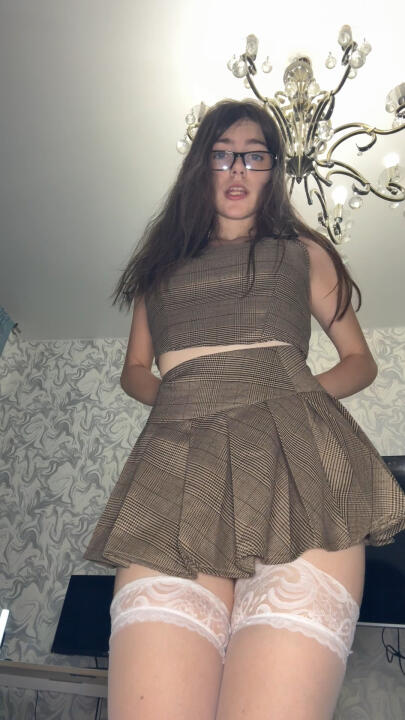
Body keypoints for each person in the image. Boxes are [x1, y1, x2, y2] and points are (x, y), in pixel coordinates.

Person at [83, 99, 405, 720]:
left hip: (297, 468)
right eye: (223, 154)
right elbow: (134, 371)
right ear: (200, 165)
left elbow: (359, 361)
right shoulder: (158, 270)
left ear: (273, 170)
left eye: (255, 156)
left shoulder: (303, 252)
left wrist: (287, 396)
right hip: (179, 473)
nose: (238, 168)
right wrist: (185, 397)